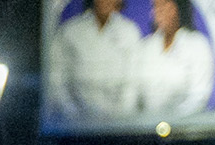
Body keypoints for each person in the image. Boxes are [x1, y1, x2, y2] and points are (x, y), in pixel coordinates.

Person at [48, 0, 146, 128]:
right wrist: (73, 117)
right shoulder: (71, 31)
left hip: (119, 123)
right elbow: (57, 78)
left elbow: (133, 81)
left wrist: (121, 120)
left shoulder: (129, 31)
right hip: (76, 125)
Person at [133, 0, 215, 122]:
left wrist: (171, 121)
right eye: (156, 7)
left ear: (179, 8)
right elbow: (136, 93)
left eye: (164, 6)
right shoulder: (146, 47)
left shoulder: (197, 45)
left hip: (184, 129)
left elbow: (198, 96)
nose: (159, 11)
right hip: (146, 129)